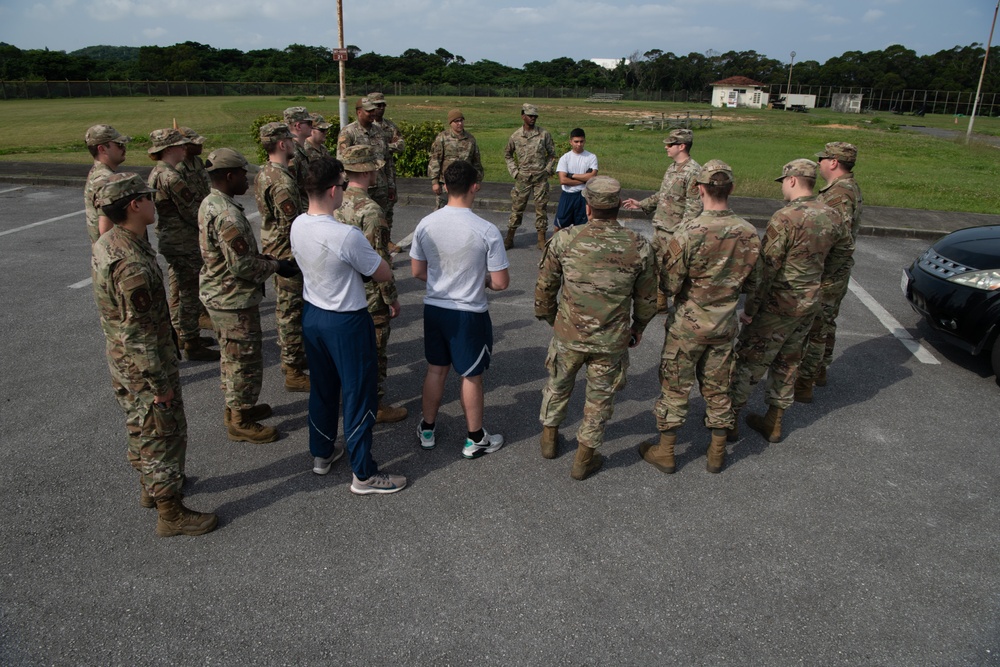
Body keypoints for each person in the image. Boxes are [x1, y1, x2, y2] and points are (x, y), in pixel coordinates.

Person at [92, 172, 217, 537]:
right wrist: (159, 383)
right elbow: (140, 333)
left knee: (140, 425)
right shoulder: (130, 262)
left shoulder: (111, 241)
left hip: (123, 359)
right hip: (145, 364)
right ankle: (170, 512)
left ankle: (151, 487)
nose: (153, 202)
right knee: (163, 431)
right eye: (148, 197)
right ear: (134, 205)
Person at [290, 157, 407, 495]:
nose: (344, 190)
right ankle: (364, 474)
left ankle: (322, 452)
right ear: (331, 190)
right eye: (341, 185)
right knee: (359, 395)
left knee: (323, 390)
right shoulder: (346, 235)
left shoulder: (298, 224)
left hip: (313, 315)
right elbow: (381, 272)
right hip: (346, 320)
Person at [638, 160, 760, 475]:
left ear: (699, 188)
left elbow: (671, 283)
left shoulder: (689, 231)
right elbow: (755, 281)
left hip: (687, 325)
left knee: (676, 387)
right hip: (724, 323)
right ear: (731, 189)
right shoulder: (748, 231)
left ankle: (666, 452)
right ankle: (717, 452)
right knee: (719, 387)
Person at [535, 175, 657, 480]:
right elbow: (647, 297)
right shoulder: (638, 245)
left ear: (587, 207)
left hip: (568, 334)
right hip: (611, 340)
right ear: (617, 206)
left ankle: (549, 441)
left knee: (558, 385)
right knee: (600, 399)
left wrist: (554, 320)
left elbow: (545, 290)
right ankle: (583, 459)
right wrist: (639, 326)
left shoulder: (565, 239)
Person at [729, 159, 851, 443]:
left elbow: (766, 269)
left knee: (749, 362)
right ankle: (774, 422)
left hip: (776, 306)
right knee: (788, 362)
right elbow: (843, 254)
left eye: (783, 181)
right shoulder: (833, 215)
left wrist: (750, 309)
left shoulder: (785, 218)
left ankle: (729, 421)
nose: (782, 187)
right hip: (809, 303)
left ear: (793, 180)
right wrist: (817, 280)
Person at [410, 160, 510, 459]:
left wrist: (444, 278)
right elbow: (502, 282)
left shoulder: (426, 223)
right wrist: (478, 279)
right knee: (471, 376)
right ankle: (475, 437)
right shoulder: (486, 229)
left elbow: (417, 270)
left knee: (436, 370)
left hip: (434, 309)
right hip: (468, 314)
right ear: (474, 186)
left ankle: (427, 428)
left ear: (444, 185)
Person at [199, 148, 299, 444]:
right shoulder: (227, 215)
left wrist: (262, 256)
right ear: (229, 176)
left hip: (221, 294)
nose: (248, 178)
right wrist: (276, 265)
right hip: (232, 299)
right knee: (243, 360)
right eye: (243, 173)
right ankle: (240, 420)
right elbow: (241, 264)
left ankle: (238, 409)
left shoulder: (211, 202)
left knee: (232, 358)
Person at [335, 145, 408, 423]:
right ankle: (374, 406)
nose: (378, 171)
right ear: (365, 170)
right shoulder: (371, 210)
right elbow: (379, 261)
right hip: (369, 296)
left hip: (342, 290)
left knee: (348, 351)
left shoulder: (335, 201)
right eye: (374, 167)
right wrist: (391, 298)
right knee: (375, 353)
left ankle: (351, 396)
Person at [796, 141, 864, 399]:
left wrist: (815, 270)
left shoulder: (838, 194)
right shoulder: (847, 187)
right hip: (836, 272)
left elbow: (837, 237)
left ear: (834, 162)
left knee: (815, 327)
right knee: (826, 323)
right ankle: (820, 370)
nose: (819, 163)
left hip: (828, 273)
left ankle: (805, 382)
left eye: (823, 159)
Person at [146, 128, 219, 362]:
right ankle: (190, 341)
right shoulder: (171, 177)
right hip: (182, 240)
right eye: (180, 145)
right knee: (190, 292)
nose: (184, 148)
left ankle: (184, 334)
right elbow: (191, 211)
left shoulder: (158, 172)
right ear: (168, 149)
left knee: (184, 288)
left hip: (173, 238)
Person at [253, 122, 309, 392]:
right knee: (291, 311)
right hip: (286, 252)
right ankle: (293, 369)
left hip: (273, 246)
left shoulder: (264, 172)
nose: (293, 144)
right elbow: (291, 224)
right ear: (282, 144)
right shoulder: (282, 180)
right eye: (289, 139)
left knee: (287, 309)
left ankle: (293, 360)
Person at [622, 128, 703, 312]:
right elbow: (664, 194)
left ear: (681, 146)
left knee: (676, 271)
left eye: (670, 144)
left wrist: (682, 234)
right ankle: (660, 302)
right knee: (656, 266)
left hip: (675, 231)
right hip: (661, 227)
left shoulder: (693, 172)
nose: (666, 147)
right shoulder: (673, 167)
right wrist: (642, 204)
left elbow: (694, 207)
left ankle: (682, 309)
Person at [503, 103, 556, 250]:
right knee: (517, 208)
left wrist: (547, 170)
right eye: (530, 116)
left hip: (540, 178)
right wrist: (514, 171)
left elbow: (552, 155)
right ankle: (509, 237)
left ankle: (541, 238)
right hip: (523, 178)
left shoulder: (544, 134)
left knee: (541, 208)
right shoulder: (515, 136)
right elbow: (507, 155)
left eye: (535, 116)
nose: (533, 118)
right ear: (523, 116)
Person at [337, 98, 389, 218]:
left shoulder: (379, 132)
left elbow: (387, 159)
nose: (373, 113)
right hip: (359, 187)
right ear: (359, 112)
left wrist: (390, 184)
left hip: (380, 186)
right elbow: (342, 161)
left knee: (381, 219)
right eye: (369, 111)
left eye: (374, 110)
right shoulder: (348, 132)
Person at [367, 91, 405, 251]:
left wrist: (383, 148)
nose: (381, 108)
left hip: (387, 173)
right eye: (377, 105)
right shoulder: (364, 127)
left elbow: (401, 145)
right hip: (368, 174)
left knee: (388, 207)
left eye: (383, 105)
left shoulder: (389, 127)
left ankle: (386, 239)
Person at [428, 109, 484, 211]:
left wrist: (478, 180)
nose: (459, 123)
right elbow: (435, 160)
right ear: (450, 123)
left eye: (461, 120)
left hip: (465, 183)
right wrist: (434, 182)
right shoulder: (442, 138)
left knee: (462, 210)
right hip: (446, 183)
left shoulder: (470, 139)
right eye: (456, 121)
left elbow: (476, 162)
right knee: (441, 210)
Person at [83, 124, 129, 245]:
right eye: (119, 145)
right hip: (111, 253)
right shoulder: (106, 179)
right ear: (102, 149)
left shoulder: (97, 172)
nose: (124, 148)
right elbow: (106, 230)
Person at [554, 128, 599, 230]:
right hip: (568, 196)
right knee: (559, 226)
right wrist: (584, 179)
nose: (579, 144)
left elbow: (592, 177)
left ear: (585, 141)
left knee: (582, 228)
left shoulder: (591, 157)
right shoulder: (565, 158)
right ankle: (552, 245)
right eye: (576, 142)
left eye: (581, 141)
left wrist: (571, 175)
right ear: (570, 142)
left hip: (583, 196)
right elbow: (563, 180)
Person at [284, 106, 313, 210]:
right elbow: (290, 189)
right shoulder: (293, 153)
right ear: (298, 126)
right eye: (309, 123)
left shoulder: (299, 149)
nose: (312, 127)